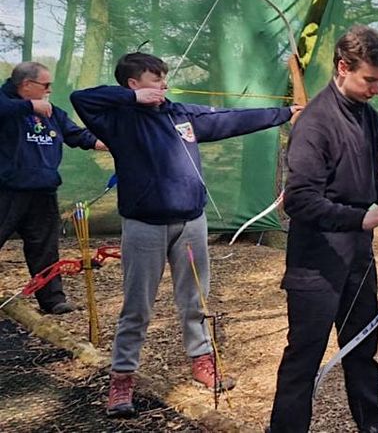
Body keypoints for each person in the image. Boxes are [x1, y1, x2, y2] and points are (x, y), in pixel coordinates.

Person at [70, 52, 302, 418]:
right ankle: (122, 379)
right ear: (132, 84)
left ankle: (202, 362)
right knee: (137, 308)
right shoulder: (116, 119)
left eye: (163, 77)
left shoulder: (180, 114)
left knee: (196, 300)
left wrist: (286, 113)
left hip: (191, 223)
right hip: (144, 225)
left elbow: (232, 120)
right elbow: (79, 99)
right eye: (154, 79)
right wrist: (133, 100)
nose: (163, 84)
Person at [268, 25, 378, 433]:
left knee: (362, 350)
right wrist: (359, 218)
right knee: (304, 360)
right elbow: (298, 200)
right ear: (342, 66)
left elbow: (374, 182)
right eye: (370, 80)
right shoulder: (314, 124)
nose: (376, 90)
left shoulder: (369, 118)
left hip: (357, 259)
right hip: (315, 266)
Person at [0, 61, 107, 314]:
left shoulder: (50, 111)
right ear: (26, 85)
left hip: (43, 190)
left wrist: (102, 143)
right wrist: (28, 106)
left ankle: (52, 300)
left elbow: (75, 134)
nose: (49, 90)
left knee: (45, 247)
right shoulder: (7, 104)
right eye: (45, 85)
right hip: (6, 189)